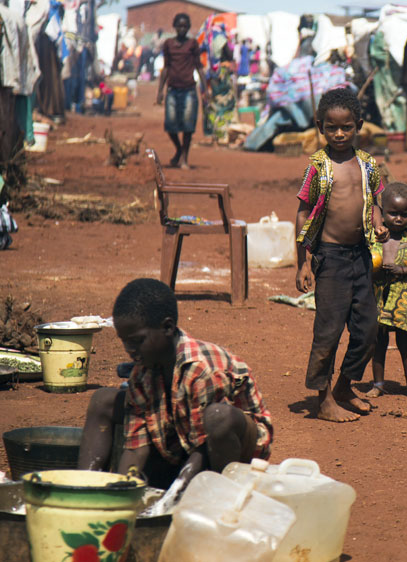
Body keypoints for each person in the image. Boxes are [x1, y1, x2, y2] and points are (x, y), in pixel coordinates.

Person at [77, 278, 273, 491]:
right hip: (181, 432)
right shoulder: (141, 372)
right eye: (124, 340)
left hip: (232, 447)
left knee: (218, 417)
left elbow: (203, 447)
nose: (129, 349)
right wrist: (120, 492)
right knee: (102, 400)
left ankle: (220, 493)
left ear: (168, 328)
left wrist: (175, 493)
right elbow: (136, 448)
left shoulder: (199, 369)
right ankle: (82, 488)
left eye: (137, 340)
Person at [295, 87, 390, 423]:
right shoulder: (317, 167)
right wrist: (303, 262)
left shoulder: (368, 165)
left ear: (358, 125)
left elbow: (375, 203)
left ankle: (345, 386)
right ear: (321, 126)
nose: (339, 134)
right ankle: (323, 399)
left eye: (346, 127)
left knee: (368, 329)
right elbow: (304, 213)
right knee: (329, 330)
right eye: (332, 128)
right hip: (330, 258)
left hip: (361, 256)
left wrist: (379, 225)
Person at [365, 182, 407, 400]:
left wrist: (401, 270)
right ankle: (378, 384)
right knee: (378, 345)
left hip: (403, 303)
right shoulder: (374, 238)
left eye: (404, 215)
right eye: (393, 214)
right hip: (379, 302)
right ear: (382, 212)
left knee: (405, 346)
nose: (398, 219)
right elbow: (364, 265)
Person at [156, 13, 208, 169]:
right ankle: (179, 149)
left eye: (185, 26)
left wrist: (205, 89)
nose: (182, 29)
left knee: (187, 126)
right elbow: (165, 68)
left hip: (189, 90)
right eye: (179, 26)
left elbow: (199, 67)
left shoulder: (192, 44)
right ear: (174, 26)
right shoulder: (168, 44)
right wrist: (160, 91)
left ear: (189, 27)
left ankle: (184, 157)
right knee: (170, 125)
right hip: (172, 90)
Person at [204, 44, 238, 145]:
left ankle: (218, 135)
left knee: (215, 110)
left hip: (215, 86)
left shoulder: (208, 40)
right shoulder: (221, 40)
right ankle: (224, 135)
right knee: (225, 110)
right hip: (223, 91)